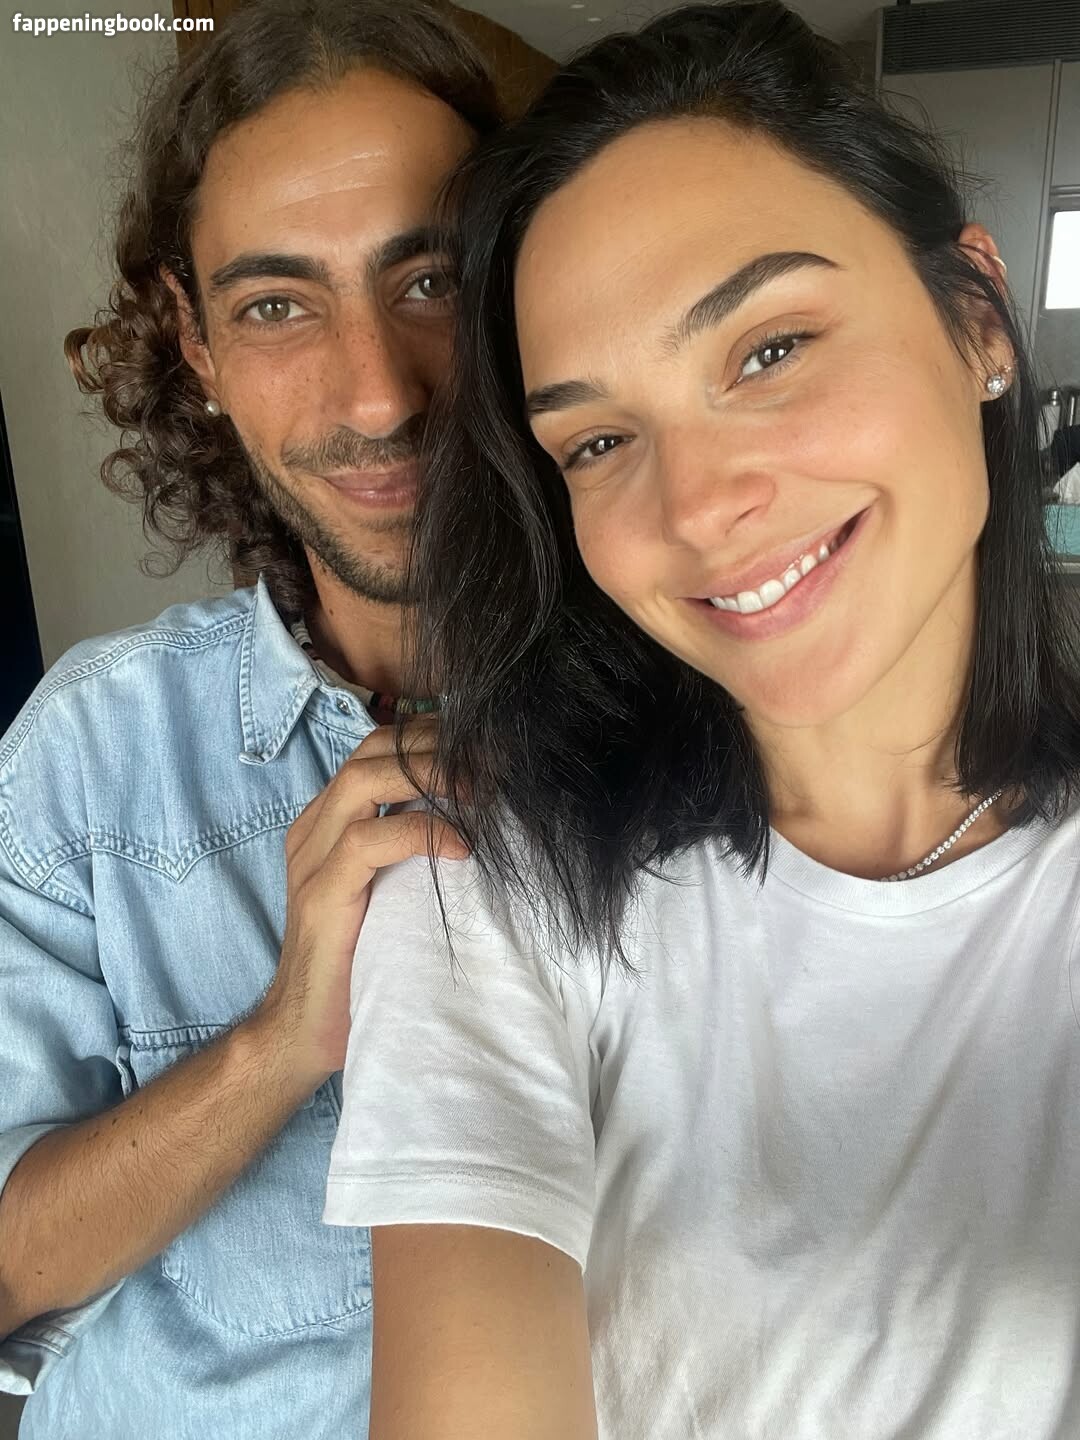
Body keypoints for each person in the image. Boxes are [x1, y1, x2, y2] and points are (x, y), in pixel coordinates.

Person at [323, 4, 1080, 1437]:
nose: (699, 507)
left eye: (769, 350)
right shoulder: (491, 885)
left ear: (976, 319)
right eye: (601, 440)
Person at [0, 2, 494, 1434]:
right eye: (279, 304)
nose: (379, 395)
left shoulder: (694, 717)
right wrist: (281, 1040)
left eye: (430, 279)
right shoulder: (91, 754)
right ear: (196, 346)